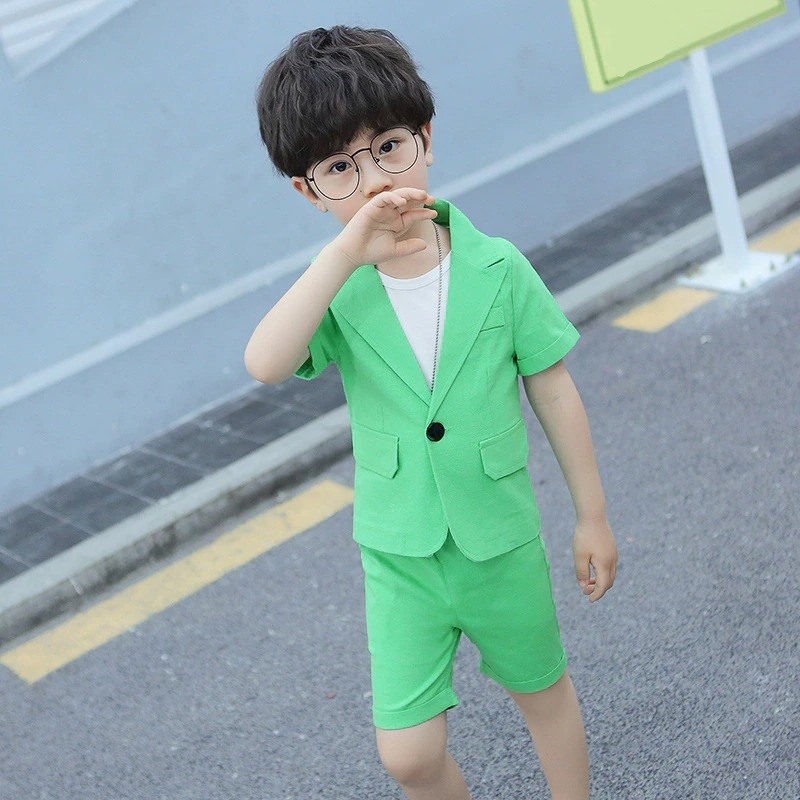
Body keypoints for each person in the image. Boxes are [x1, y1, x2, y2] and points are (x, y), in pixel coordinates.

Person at [245, 25, 618, 800]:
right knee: (408, 756)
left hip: (498, 539)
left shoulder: (496, 266)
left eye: (389, 147)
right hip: (399, 556)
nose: (374, 180)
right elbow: (266, 363)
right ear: (307, 191)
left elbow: (554, 390)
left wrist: (592, 516)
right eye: (340, 168)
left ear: (426, 138)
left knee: (543, 694)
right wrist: (342, 255)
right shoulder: (337, 288)